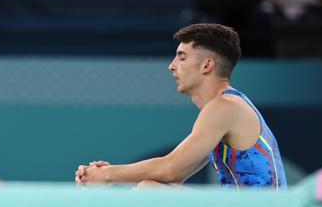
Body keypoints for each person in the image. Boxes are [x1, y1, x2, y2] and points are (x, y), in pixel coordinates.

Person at [75, 23, 287, 190]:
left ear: (207, 65)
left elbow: (171, 169)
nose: (172, 66)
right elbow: (174, 173)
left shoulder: (225, 107)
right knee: (151, 187)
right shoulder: (226, 108)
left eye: (182, 57)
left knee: (148, 192)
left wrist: (106, 175)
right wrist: (110, 176)